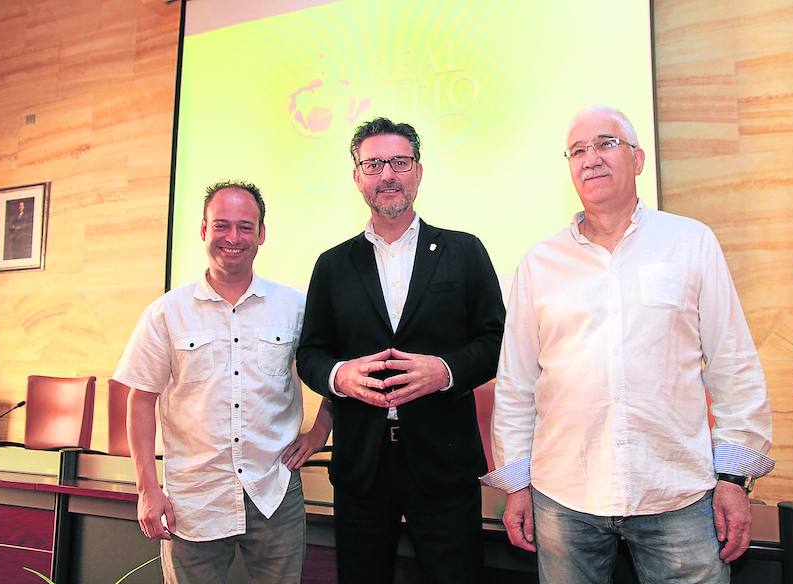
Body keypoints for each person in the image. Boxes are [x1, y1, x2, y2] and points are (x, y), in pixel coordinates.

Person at [483, 106, 774, 583]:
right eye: (578, 150)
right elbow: (518, 383)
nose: (590, 158)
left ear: (638, 159)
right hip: (564, 496)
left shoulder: (691, 242)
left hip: (677, 492)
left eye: (605, 143)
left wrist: (734, 479)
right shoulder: (539, 263)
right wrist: (516, 485)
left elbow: (734, 366)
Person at [296, 117, 505, 584]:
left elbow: (496, 341)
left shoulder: (464, 251)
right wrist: (339, 377)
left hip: (444, 460)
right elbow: (310, 353)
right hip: (361, 466)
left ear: (418, 171)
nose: (387, 174)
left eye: (399, 162)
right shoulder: (332, 265)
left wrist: (446, 371)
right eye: (373, 164)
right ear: (356, 176)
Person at [113, 180, 333, 584]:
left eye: (245, 227)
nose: (233, 237)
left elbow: (332, 371)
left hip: (275, 493)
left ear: (262, 234)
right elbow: (140, 400)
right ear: (202, 230)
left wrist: (319, 432)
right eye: (221, 225)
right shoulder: (166, 313)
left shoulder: (295, 307)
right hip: (193, 497)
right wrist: (147, 488)